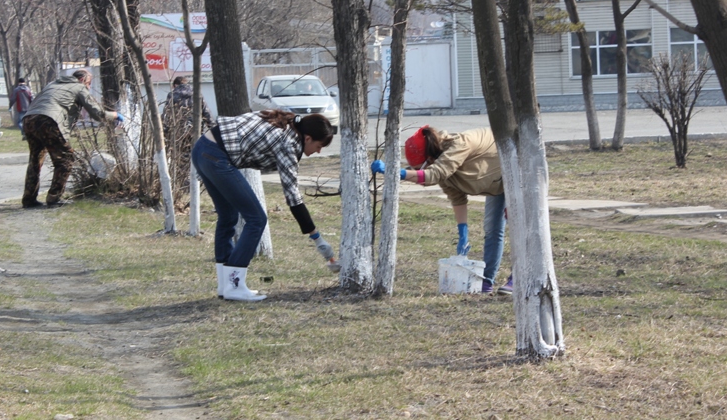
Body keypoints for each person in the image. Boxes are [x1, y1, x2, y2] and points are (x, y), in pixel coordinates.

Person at [191, 110, 336, 302]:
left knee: (228, 216)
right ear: (307, 138)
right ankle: (234, 286)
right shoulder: (289, 143)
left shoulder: (287, 121)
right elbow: (293, 197)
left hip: (202, 148)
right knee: (257, 219)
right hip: (217, 157)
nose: (318, 151)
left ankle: (225, 286)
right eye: (319, 146)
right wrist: (317, 239)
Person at [371, 126, 511, 294]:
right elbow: (457, 198)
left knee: (520, 229)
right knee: (493, 230)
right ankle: (486, 282)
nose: (416, 173)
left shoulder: (459, 145)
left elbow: (432, 175)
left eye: (418, 168)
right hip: (497, 183)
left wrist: (395, 173)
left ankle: (518, 278)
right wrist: (463, 233)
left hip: (516, 169)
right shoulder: (444, 169)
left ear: (429, 159)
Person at [21, 69, 121, 208]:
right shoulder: (79, 87)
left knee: (35, 160)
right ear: (82, 80)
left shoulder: (53, 84)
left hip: (29, 119)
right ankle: (54, 198)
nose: (89, 87)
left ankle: (29, 199)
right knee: (66, 159)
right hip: (49, 120)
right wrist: (115, 115)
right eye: (89, 83)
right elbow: (97, 114)